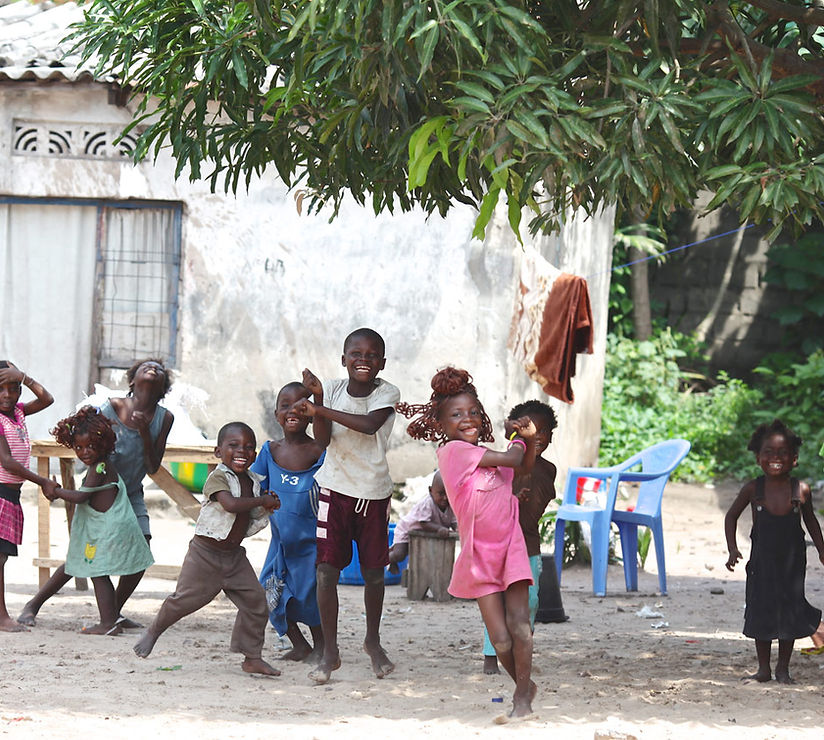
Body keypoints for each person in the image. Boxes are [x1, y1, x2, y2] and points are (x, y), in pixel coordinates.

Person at [397, 367, 538, 720]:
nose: (467, 419)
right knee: (501, 640)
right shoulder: (453, 453)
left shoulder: (487, 457)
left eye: (473, 412)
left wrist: (529, 441)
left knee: (520, 625)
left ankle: (522, 696)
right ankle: (523, 685)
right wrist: (518, 438)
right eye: (457, 414)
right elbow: (514, 458)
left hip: (510, 547)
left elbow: (521, 468)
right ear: (441, 424)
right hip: (478, 556)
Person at [19, 358, 174, 627]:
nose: (154, 368)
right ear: (132, 380)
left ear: (163, 390)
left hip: (131, 493)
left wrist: (144, 434)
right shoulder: (112, 407)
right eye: (147, 365)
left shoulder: (164, 418)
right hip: (101, 489)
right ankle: (33, 605)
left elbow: (152, 466)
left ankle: (113, 612)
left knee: (141, 550)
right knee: (82, 554)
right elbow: (87, 436)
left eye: (159, 369)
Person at [292, 327, 400, 684]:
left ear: (382, 363)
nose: (363, 360)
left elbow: (369, 426)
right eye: (356, 354)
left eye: (371, 356)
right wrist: (320, 403)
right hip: (334, 490)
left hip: (373, 493)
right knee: (326, 572)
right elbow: (323, 441)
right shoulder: (334, 390)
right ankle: (331, 651)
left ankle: (373, 641)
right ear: (343, 360)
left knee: (373, 574)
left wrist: (320, 406)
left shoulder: (387, 393)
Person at [133, 422, 280, 676]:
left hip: (234, 557)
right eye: (233, 446)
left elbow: (249, 513)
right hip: (205, 555)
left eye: (248, 447)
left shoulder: (254, 482)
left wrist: (267, 505)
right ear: (218, 452)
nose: (241, 451)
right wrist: (261, 500)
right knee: (184, 601)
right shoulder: (218, 477)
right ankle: (153, 631)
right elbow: (231, 504)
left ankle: (252, 656)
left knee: (256, 601)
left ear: (255, 455)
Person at [725, 419, 824, 684]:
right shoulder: (753, 489)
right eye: (768, 452)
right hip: (761, 563)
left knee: (789, 611)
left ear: (794, 459)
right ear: (758, 458)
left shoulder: (800, 490)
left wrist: (822, 550)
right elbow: (731, 517)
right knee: (762, 609)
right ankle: (763, 669)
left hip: (792, 564)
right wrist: (733, 549)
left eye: (783, 453)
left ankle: (783, 668)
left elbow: (811, 521)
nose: (775, 458)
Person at [45, 407, 154, 635]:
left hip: (109, 529)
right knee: (98, 571)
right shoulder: (100, 465)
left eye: (91, 446)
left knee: (98, 571)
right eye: (79, 447)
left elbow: (81, 497)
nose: (85, 452)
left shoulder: (100, 467)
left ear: (103, 444)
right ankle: (112, 618)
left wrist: (56, 490)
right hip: (111, 527)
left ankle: (108, 623)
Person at [251, 381, 326, 662]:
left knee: (309, 596)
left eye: (300, 405)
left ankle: (321, 644)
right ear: (276, 414)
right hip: (280, 543)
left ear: (311, 413)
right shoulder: (269, 452)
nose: (292, 410)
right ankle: (299, 643)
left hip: (311, 545)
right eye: (285, 405)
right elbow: (254, 486)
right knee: (269, 593)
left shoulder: (319, 452)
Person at [483, 400, 557, 675]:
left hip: (528, 544)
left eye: (543, 431)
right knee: (497, 600)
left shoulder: (548, 470)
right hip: (500, 543)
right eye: (528, 429)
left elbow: (538, 506)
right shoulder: (504, 464)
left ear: (551, 435)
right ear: (514, 433)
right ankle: (491, 656)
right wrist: (511, 500)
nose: (536, 436)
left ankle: (521, 652)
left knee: (531, 600)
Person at [0, 361, 56, 632]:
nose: (8, 395)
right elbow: (7, 462)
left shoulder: (18, 413)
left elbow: (47, 398)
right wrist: (42, 481)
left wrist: (25, 377)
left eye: (14, 388)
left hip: (11, 495)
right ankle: (1, 617)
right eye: (1, 389)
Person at [387, 470, 456, 574]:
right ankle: (383, 559)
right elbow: (424, 523)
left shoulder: (451, 505)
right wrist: (439, 529)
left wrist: (458, 529)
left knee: (424, 556)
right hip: (406, 530)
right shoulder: (427, 503)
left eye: (448, 493)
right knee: (400, 554)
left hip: (423, 536)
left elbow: (454, 522)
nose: (445, 498)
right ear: (431, 491)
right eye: (441, 494)